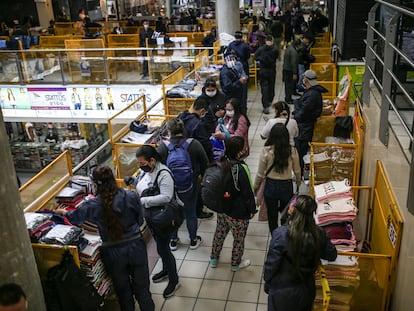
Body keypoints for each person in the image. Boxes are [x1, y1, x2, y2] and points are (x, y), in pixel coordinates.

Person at [55, 166, 155, 311]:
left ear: (94, 184)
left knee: (124, 293)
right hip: (136, 246)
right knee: (143, 291)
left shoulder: (93, 204)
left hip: (113, 252)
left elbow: (75, 217)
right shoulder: (130, 196)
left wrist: (63, 211)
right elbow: (140, 221)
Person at [263, 195, 337, 311]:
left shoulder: (281, 234)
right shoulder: (319, 233)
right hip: (306, 290)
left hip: (282, 291)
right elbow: (332, 255)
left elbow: (271, 265)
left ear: (293, 210)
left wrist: (268, 282)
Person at [134, 145, 180, 298]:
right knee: (161, 248)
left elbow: (167, 197)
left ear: (152, 160)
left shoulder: (164, 174)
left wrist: (143, 201)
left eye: (142, 163)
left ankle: (174, 281)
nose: (141, 166)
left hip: (163, 219)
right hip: (153, 218)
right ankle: (166, 270)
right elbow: (145, 183)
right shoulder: (149, 170)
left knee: (164, 250)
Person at [157, 118, 209, 251]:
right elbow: (205, 163)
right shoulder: (194, 144)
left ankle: (173, 240)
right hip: (191, 185)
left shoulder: (163, 147)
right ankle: (193, 240)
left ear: (169, 131)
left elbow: (158, 167)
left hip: (170, 187)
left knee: (173, 213)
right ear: (183, 129)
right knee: (191, 213)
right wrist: (200, 178)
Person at [209, 136, 257, 271]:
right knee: (238, 238)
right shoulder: (241, 168)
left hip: (222, 208)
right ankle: (235, 263)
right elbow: (248, 192)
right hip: (238, 212)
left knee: (219, 233)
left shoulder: (220, 162)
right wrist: (252, 209)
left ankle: (213, 258)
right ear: (240, 151)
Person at [254, 124, 301, 233]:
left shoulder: (266, 151)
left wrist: (255, 187)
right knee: (286, 213)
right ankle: (285, 235)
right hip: (286, 185)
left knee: (272, 214)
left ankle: (275, 236)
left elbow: (260, 174)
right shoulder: (292, 151)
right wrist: (298, 182)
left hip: (270, 185)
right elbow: (297, 170)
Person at [293, 69, 328, 172]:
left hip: (304, 128)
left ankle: (301, 171)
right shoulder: (313, 92)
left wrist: (295, 114)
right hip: (305, 126)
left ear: (306, 81)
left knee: (301, 152)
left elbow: (304, 112)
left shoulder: (312, 95)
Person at [254, 35, 279, 114]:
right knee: (271, 88)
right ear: (272, 41)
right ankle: (269, 102)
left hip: (263, 71)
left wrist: (261, 60)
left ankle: (265, 106)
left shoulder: (261, 49)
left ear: (265, 41)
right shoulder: (275, 49)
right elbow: (276, 57)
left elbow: (255, 57)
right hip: (271, 71)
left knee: (264, 89)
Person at [282, 39, 301, 105]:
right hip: (289, 70)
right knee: (289, 85)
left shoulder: (289, 48)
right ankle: (288, 99)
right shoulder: (294, 52)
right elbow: (293, 63)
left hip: (285, 69)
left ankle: (288, 97)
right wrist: (295, 73)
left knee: (287, 85)